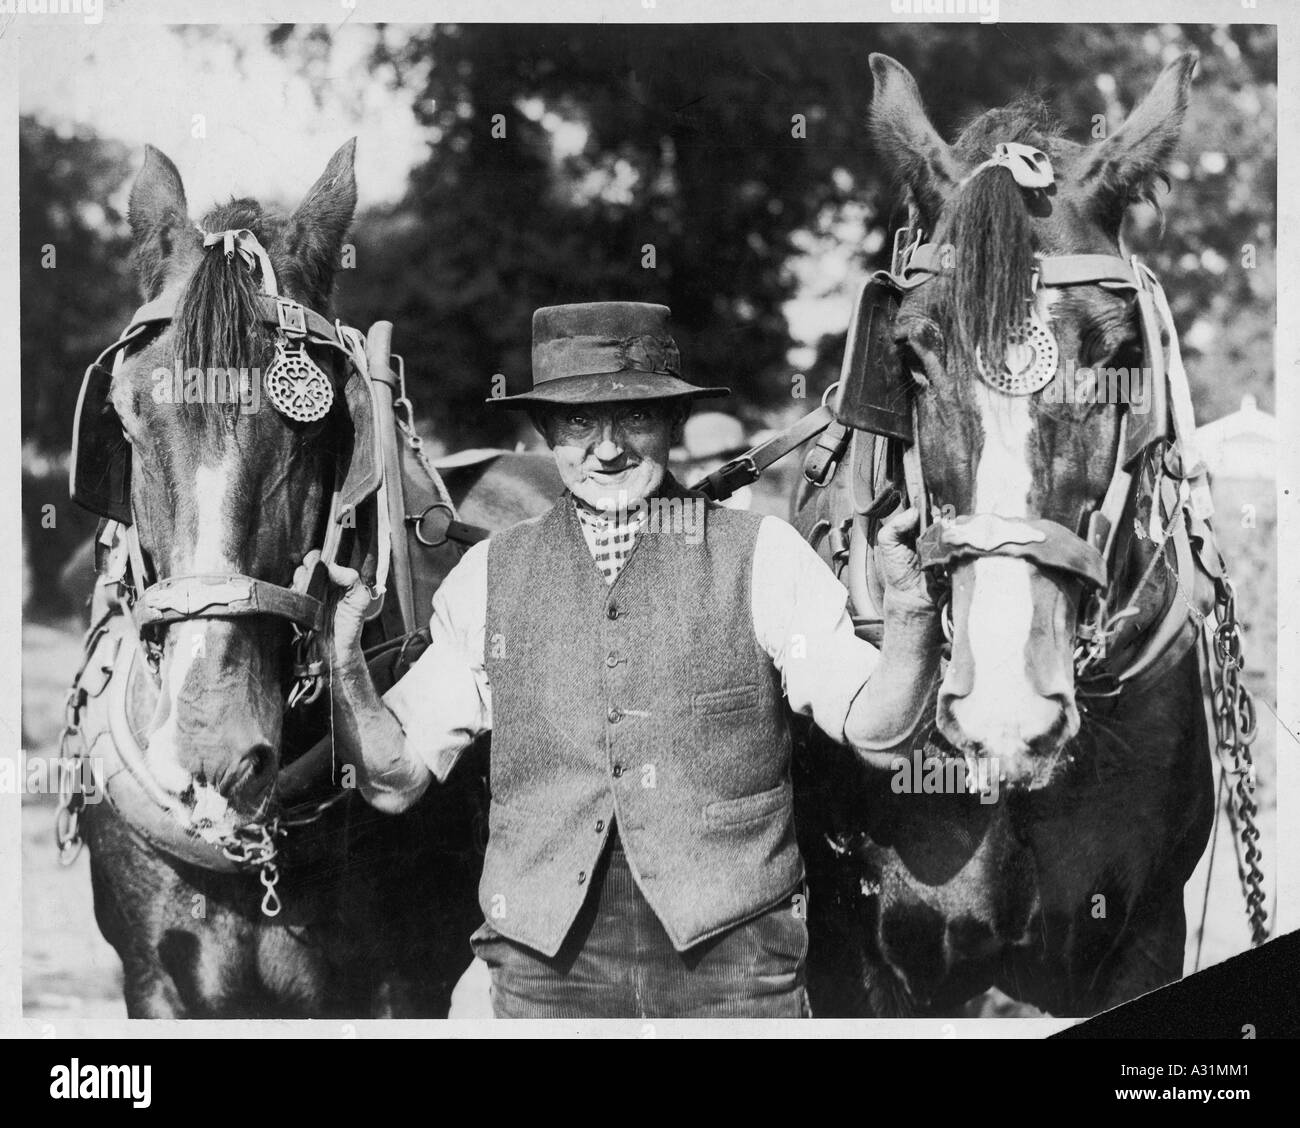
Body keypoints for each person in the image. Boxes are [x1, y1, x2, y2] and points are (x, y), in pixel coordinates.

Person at [322, 302, 943, 1018]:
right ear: (548, 432)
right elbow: (394, 779)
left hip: (735, 967)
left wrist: (910, 604)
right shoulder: (489, 575)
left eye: (636, 418)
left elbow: (881, 731)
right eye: (580, 423)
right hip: (542, 971)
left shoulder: (763, 558)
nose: (607, 448)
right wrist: (344, 652)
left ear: (673, 424)